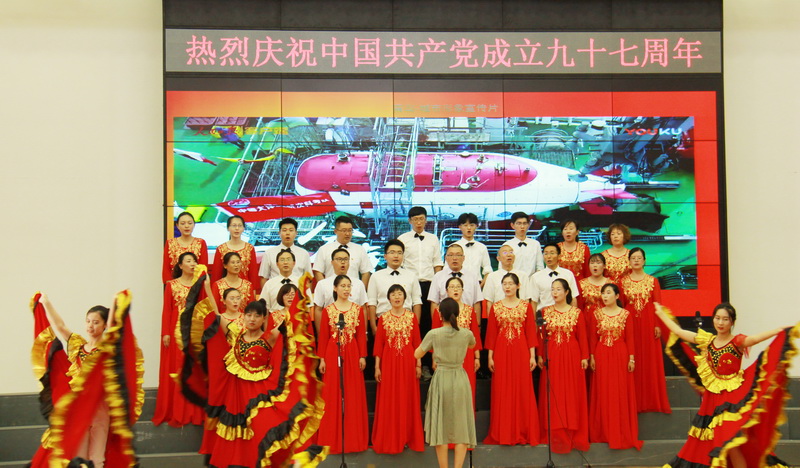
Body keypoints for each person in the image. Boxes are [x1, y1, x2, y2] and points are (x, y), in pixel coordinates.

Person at [182, 289, 325, 468]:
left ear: (264, 319)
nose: (252, 319)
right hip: (237, 395)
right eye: (249, 315)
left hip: (259, 393)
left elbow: (289, 323)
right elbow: (215, 314)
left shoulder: (269, 337)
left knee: (261, 427)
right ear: (243, 317)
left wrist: (295, 300)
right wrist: (207, 286)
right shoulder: (235, 334)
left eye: (257, 316)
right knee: (239, 433)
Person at [655, 302, 798, 468]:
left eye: (725, 319)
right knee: (714, 446)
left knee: (730, 443)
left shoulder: (737, 342)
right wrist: (661, 314)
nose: (720, 323)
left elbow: (754, 339)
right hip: (712, 401)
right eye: (717, 318)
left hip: (731, 400)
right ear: (713, 319)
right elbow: (679, 332)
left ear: (732, 322)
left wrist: (779, 330)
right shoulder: (708, 341)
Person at [29, 292, 143, 468]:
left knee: (97, 456)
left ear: (104, 325)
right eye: (88, 321)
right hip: (79, 407)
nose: (90, 325)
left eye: (96, 322)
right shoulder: (78, 346)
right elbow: (60, 326)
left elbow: (115, 329)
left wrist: (114, 303)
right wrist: (46, 303)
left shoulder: (107, 350)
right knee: (79, 455)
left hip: (100, 407)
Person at [414, 298, 477, 468]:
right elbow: (473, 345)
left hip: (442, 378)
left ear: (440, 314)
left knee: (440, 427)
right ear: (458, 313)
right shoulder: (466, 333)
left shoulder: (434, 334)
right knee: (461, 426)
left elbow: (417, 354)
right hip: (460, 378)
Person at [483, 273, 540, 446]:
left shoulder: (525, 306)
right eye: (504, 284)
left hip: (521, 351)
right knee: (502, 388)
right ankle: (504, 432)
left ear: (518, 286)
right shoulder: (496, 307)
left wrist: (532, 355)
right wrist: (490, 356)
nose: (507, 287)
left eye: (510, 284)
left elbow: (530, 331)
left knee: (522, 388)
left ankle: (523, 430)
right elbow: (491, 333)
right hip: (501, 351)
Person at [154, 252, 209, 427]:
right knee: (177, 368)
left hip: (194, 331)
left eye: (194, 261)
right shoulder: (171, 285)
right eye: (188, 261)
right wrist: (166, 333)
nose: (192, 264)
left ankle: (194, 411)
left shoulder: (200, 285)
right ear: (180, 265)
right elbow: (167, 310)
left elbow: (204, 309)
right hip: (175, 331)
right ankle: (176, 410)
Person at [317, 275, 369, 453]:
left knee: (353, 393)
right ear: (335, 288)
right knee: (332, 394)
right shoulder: (328, 310)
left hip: (353, 352)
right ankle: (331, 439)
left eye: (349, 286)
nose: (346, 289)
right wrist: (322, 359)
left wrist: (362, 356)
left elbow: (361, 334)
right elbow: (324, 336)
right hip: (332, 353)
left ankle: (354, 440)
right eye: (343, 286)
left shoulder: (357, 309)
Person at [537, 278, 589, 454]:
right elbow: (541, 336)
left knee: (571, 391)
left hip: (572, 355)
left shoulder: (577, 313)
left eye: (558, 289)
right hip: (552, 355)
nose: (555, 292)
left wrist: (584, 356)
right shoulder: (545, 312)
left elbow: (582, 336)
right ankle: (555, 431)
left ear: (567, 292)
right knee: (554, 391)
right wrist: (540, 355)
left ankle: (572, 429)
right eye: (553, 289)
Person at [588, 284, 642, 450]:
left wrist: (631, 359)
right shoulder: (596, 314)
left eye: (608, 293)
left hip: (620, 354)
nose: (605, 296)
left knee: (619, 391)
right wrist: (592, 357)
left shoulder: (625, 314)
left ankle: (620, 432)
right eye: (603, 293)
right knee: (603, 391)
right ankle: (603, 432)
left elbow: (630, 338)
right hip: (602, 354)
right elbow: (593, 338)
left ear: (617, 296)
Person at [372, 285, 424, 454]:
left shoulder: (411, 317)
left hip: (408, 362)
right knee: (390, 398)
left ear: (404, 298)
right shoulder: (383, 318)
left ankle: (407, 436)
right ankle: (391, 437)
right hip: (388, 363)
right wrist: (377, 367)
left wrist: (418, 364)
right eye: (393, 294)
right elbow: (379, 345)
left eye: (400, 294)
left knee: (407, 397)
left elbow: (417, 343)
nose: (397, 297)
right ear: (388, 298)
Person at [619, 247, 670, 414]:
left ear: (644, 261)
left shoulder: (653, 281)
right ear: (629, 261)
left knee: (649, 360)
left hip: (649, 324)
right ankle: (634, 401)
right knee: (632, 358)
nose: (636, 260)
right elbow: (621, 306)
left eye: (639, 258)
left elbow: (658, 305)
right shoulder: (623, 282)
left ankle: (651, 399)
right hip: (630, 323)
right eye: (633, 258)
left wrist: (657, 325)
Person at [398, 206, 443, 355]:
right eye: (415, 219)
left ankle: (428, 360)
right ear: (410, 221)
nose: (419, 222)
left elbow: (437, 263)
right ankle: (411, 356)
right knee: (411, 320)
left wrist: (438, 285)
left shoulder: (433, 238)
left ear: (426, 220)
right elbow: (400, 264)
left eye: (421, 219)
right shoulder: (402, 239)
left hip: (429, 284)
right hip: (409, 284)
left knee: (428, 322)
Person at [431, 276, 482, 404]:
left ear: (462, 290)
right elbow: (434, 336)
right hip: (445, 354)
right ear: (446, 291)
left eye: (458, 287)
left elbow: (474, 334)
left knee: (466, 388)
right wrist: (434, 358)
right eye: (452, 287)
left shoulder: (469, 310)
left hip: (466, 354)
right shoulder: (439, 311)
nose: (455, 289)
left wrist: (477, 357)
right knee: (447, 390)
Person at [366, 239, 422, 333]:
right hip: (382, 322)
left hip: (407, 323)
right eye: (392, 252)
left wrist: (416, 325)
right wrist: (373, 327)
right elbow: (372, 303)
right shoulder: (376, 276)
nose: (396, 256)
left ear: (403, 256)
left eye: (399, 253)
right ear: (385, 256)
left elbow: (416, 302)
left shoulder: (411, 276)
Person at [313, 247, 368, 332]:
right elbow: (318, 309)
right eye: (339, 259)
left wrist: (365, 332)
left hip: (353, 329)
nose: (343, 262)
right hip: (330, 329)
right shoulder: (322, 284)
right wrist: (320, 333)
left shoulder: (358, 283)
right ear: (332, 262)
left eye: (346, 259)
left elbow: (363, 309)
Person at [313, 215, 372, 287]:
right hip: (331, 290)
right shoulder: (324, 249)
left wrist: (361, 290)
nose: (347, 234)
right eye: (344, 230)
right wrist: (325, 289)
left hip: (353, 290)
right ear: (335, 231)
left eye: (350, 230)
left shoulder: (360, 249)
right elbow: (318, 271)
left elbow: (366, 272)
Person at [428, 243, 483, 320]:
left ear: (463, 258)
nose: (454, 258)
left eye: (458, 255)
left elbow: (476, 303)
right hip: (445, 321)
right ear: (446, 258)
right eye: (451, 255)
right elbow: (434, 303)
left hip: (467, 320)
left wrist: (478, 324)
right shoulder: (438, 277)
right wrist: (436, 324)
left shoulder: (472, 277)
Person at [258, 217, 312, 289]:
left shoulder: (304, 253)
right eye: (284, 230)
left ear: (296, 233)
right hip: (275, 291)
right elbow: (264, 277)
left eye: (291, 230)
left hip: (297, 292)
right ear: (279, 233)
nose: (287, 233)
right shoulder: (269, 253)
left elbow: (308, 279)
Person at [210, 215, 260, 287]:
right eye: (234, 225)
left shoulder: (249, 248)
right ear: (228, 228)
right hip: (225, 289)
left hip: (245, 289)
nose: (237, 228)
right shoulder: (221, 249)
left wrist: (254, 290)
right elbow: (216, 274)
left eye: (240, 226)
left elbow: (253, 273)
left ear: (243, 228)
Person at [529, 243, 579, 311]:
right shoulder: (536, 277)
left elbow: (573, 298)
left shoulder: (568, 274)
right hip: (544, 314)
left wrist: (573, 315)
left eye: (552, 253)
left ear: (559, 256)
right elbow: (534, 301)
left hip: (565, 313)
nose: (549, 256)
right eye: (546, 254)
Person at [162, 211, 208, 283]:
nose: (186, 226)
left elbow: (203, 267)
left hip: (195, 285)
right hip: (175, 284)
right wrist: (171, 286)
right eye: (183, 223)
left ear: (194, 225)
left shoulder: (200, 243)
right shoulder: (170, 243)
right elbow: (166, 268)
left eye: (190, 223)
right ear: (177, 225)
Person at [502, 211, 543, 276]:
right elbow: (502, 268)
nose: (522, 226)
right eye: (519, 223)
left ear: (528, 225)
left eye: (524, 223)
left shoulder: (535, 244)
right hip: (512, 280)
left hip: (531, 280)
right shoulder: (507, 245)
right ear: (512, 225)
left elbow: (540, 267)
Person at [453, 213, 492, 281]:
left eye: (472, 225)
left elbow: (487, 268)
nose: (469, 228)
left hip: (477, 283)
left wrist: (482, 284)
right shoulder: (453, 247)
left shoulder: (482, 247)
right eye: (465, 225)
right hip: (458, 283)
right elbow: (447, 269)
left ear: (476, 226)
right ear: (460, 227)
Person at [577, 253, 613, 318]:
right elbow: (579, 306)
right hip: (587, 318)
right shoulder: (581, 284)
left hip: (606, 318)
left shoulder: (611, 283)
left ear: (604, 266)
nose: (595, 265)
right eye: (592, 263)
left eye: (598, 263)